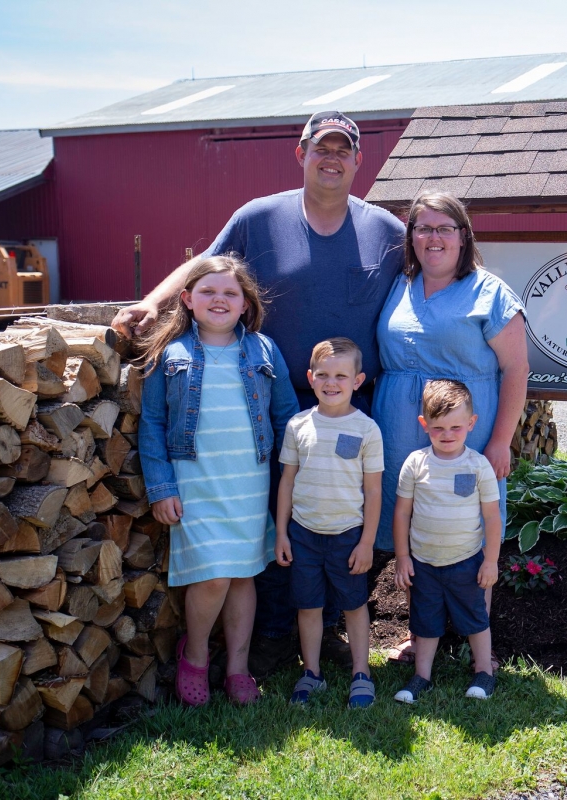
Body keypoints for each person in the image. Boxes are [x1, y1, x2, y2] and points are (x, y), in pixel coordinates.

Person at [114, 110, 405, 676]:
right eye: (321, 147)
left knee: (339, 515)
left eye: (343, 149)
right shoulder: (258, 218)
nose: (332, 158)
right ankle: (272, 635)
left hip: (349, 404)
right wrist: (151, 303)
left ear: (358, 159)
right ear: (301, 154)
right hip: (269, 403)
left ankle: (329, 628)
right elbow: (203, 269)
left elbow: (436, 277)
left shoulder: (387, 231)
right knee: (274, 516)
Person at [373, 190, 529, 664]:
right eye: (423, 228)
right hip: (400, 430)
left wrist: (500, 441)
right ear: (411, 237)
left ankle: (474, 638)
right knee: (417, 524)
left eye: (445, 228)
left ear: (463, 236)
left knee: (467, 527)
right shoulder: (399, 286)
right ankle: (422, 634)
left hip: (468, 434)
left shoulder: (491, 293)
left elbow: (517, 370)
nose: (433, 237)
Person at [140, 255, 300, 706]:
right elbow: (152, 423)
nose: (219, 300)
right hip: (196, 483)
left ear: (245, 304)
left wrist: (294, 474)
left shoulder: (264, 350)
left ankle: (237, 668)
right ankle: (194, 656)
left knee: (244, 575)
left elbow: (286, 414)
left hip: (249, 482)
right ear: (187, 299)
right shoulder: (170, 355)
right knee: (212, 578)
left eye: (230, 293)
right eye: (208, 291)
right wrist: (162, 487)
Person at [274, 338, 382, 708]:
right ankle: (312, 672)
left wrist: (367, 542)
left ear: (358, 381)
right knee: (308, 606)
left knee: (354, 604)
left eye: (341, 376)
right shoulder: (298, 425)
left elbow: (374, 490)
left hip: (348, 536)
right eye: (322, 375)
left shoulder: (367, 429)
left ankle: (361, 673)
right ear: (310, 378)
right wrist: (282, 533)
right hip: (303, 534)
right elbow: (287, 481)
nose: (331, 383)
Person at [392, 380, 502, 702]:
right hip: (423, 563)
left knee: (476, 619)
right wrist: (402, 557)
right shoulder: (416, 463)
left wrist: (491, 561)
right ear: (424, 424)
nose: (447, 434)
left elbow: (492, 517)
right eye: (438, 427)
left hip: (466, 561)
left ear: (471, 423)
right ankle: (421, 677)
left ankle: (484, 672)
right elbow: (402, 513)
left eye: (456, 427)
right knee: (425, 622)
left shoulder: (478, 465)